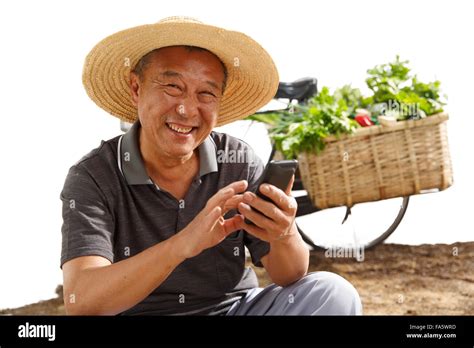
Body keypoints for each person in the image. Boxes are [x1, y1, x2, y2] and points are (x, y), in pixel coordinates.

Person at [60, 16, 362, 315]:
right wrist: (183, 245)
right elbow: (82, 300)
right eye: (172, 86)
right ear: (136, 88)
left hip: (233, 310)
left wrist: (283, 233)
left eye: (206, 93)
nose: (187, 109)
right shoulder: (93, 176)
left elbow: (289, 274)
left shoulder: (237, 161)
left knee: (334, 294)